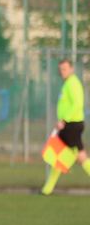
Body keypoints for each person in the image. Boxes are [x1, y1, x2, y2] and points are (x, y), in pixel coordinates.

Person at [42, 58, 88, 195]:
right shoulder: (68, 83)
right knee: (63, 157)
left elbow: (77, 104)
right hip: (70, 125)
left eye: (65, 69)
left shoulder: (73, 83)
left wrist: (64, 120)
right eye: (61, 69)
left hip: (71, 126)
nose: (62, 72)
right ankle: (47, 189)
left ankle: (47, 189)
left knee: (75, 157)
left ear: (72, 69)